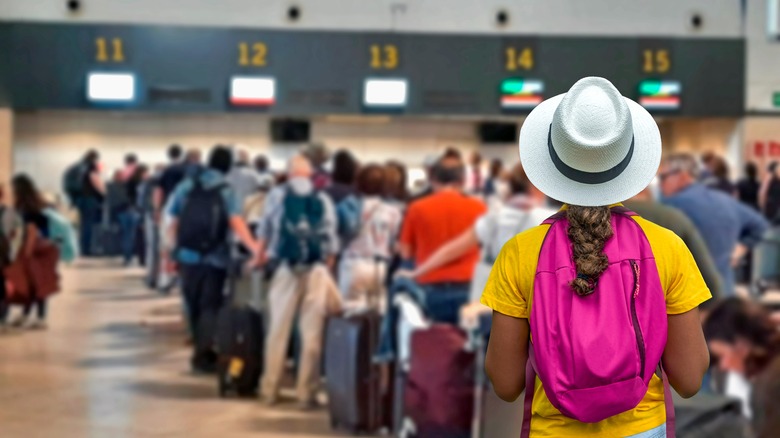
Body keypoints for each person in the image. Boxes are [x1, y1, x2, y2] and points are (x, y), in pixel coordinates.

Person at [482, 77, 711, 437]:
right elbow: (690, 379)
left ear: (553, 158)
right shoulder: (667, 247)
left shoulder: (520, 253)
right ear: (627, 158)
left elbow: (506, 384)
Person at [165, 146, 261, 373]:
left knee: (192, 302)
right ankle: (203, 353)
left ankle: (199, 347)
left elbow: (173, 221)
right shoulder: (226, 190)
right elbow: (236, 223)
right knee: (210, 305)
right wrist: (255, 247)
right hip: (214, 257)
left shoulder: (186, 186)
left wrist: (171, 251)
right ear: (228, 167)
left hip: (187, 256)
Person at [256, 155, 341, 409]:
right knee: (311, 334)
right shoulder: (323, 198)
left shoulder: (277, 195)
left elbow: (265, 230)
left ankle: (270, 389)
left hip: (285, 268)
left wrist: (259, 257)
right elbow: (331, 241)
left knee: (278, 330)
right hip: (316, 270)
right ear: (310, 174)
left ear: (289, 173)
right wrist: (326, 265)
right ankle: (307, 393)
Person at [398, 164, 555, 294]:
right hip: (533, 293)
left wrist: (416, 272)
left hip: (493, 293)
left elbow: (452, 250)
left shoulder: (495, 216)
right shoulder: (551, 219)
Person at [659, 153, 769, 295]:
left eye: (663, 177)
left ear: (682, 176)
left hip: (689, 297)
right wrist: (740, 249)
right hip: (725, 293)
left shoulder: (670, 206)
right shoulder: (725, 200)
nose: (661, 184)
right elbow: (760, 225)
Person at [398, 155, 486, 323]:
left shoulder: (417, 208)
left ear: (433, 179)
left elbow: (405, 252)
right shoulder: (479, 207)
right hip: (469, 285)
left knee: (436, 341)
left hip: (431, 287)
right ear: (462, 180)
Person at [625, 188, 726, 307]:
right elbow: (710, 280)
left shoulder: (602, 219)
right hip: (667, 313)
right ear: (646, 192)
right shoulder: (673, 218)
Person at [704, 298, 780, 438]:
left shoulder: (770, 383)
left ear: (741, 344)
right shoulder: (761, 376)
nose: (724, 366)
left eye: (722, 356)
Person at [338, 164, 402, 304]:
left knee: (351, 314)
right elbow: (394, 243)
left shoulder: (348, 206)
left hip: (353, 263)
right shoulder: (393, 211)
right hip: (380, 267)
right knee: (378, 314)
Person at [10, 175, 55, 330]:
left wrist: (26, 253)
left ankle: (40, 318)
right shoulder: (35, 203)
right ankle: (29, 315)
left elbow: (31, 231)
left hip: (33, 249)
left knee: (36, 284)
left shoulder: (25, 208)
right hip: (42, 247)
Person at [75, 150, 105, 256]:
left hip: (82, 200)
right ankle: (87, 250)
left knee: (84, 225)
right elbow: (96, 183)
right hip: (90, 200)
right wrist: (105, 193)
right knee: (89, 225)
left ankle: (83, 248)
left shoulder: (81, 167)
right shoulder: (91, 167)